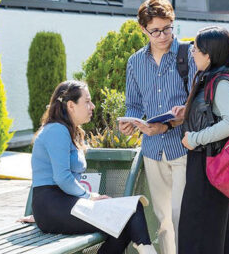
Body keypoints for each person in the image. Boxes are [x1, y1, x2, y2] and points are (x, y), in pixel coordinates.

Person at [31, 80, 157, 254]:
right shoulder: (56, 130)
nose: (93, 105)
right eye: (87, 101)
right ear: (70, 105)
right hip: (53, 206)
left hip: (63, 203)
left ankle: (148, 250)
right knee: (130, 213)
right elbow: (62, 177)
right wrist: (89, 196)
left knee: (128, 214)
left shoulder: (68, 131)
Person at [119, 0, 196, 254]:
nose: (163, 36)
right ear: (144, 30)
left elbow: (198, 104)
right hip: (152, 150)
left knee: (180, 215)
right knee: (163, 220)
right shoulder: (135, 63)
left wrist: (179, 116)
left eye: (168, 28)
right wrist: (131, 122)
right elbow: (134, 104)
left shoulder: (189, 55)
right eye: (156, 31)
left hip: (183, 147)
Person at [174, 26, 229, 254]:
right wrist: (187, 112)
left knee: (201, 231)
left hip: (210, 165)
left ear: (209, 54)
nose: (192, 53)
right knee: (210, 232)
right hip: (208, 165)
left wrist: (195, 138)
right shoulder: (213, 78)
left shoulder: (222, 82)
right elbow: (211, 114)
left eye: (196, 49)